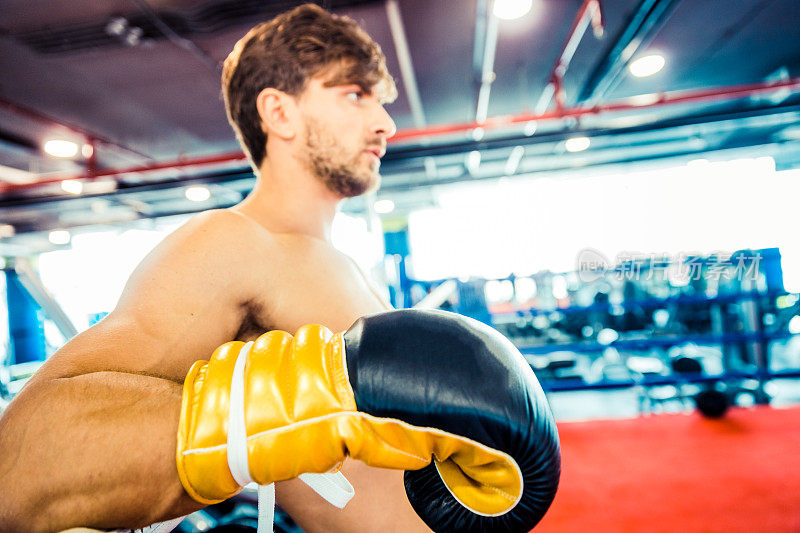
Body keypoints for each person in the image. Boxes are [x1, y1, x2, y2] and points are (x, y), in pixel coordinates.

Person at [0, 4, 432, 531]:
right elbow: (21, 460)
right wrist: (278, 412)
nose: (384, 122)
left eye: (379, 100)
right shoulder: (235, 244)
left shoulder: (337, 261)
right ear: (279, 113)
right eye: (354, 95)